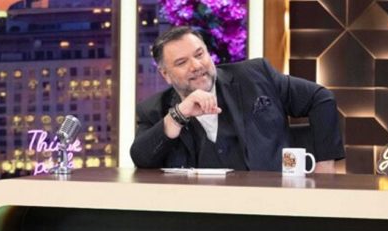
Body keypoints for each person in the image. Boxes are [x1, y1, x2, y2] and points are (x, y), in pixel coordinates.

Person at [131, 26, 345, 172]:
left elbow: (321, 98)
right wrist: (179, 115)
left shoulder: (256, 76)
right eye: (181, 62)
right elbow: (141, 159)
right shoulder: (153, 110)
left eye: (199, 54)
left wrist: (325, 166)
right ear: (165, 75)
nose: (196, 65)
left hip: (270, 204)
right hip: (198, 215)